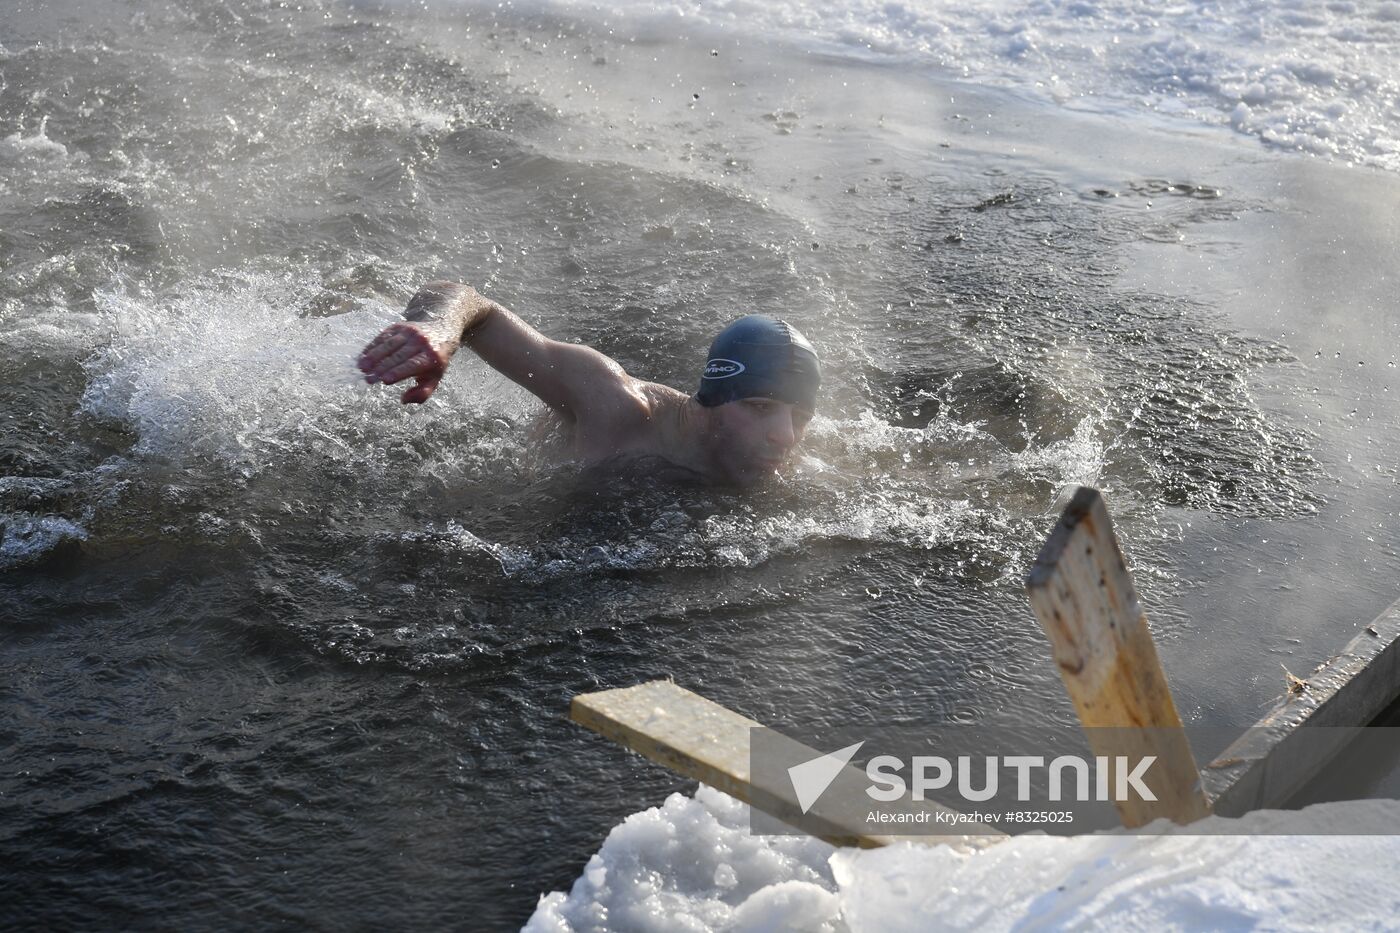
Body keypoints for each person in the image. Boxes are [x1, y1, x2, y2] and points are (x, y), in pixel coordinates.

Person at [357, 281, 821, 486]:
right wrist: (441, 329)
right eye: (760, 406)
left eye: (799, 417)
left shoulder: (786, 459)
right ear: (712, 398)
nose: (785, 435)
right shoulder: (613, 404)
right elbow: (465, 300)